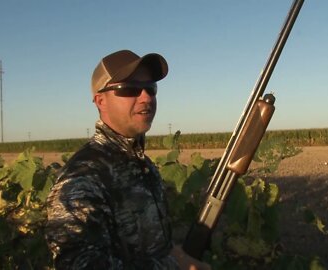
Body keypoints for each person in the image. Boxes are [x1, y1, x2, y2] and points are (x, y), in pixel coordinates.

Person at [45, 50, 210, 270]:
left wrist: (172, 253)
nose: (146, 97)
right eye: (130, 89)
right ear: (100, 101)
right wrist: (172, 265)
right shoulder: (82, 178)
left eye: (151, 88)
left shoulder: (143, 165)